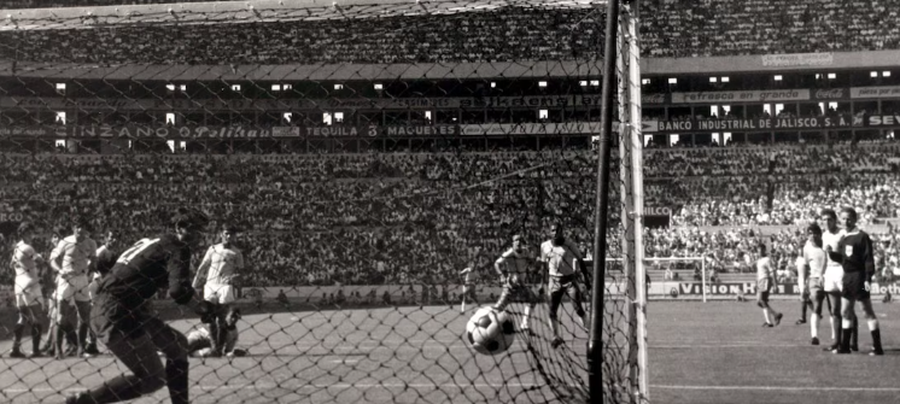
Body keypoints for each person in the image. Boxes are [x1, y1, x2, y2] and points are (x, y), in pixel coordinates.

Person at [65, 208, 213, 404]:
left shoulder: (154, 242)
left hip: (120, 307)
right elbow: (178, 291)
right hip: (117, 311)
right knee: (153, 378)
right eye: (196, 231)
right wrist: (203, 309)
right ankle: (85, 401)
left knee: (177, 345)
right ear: (180, 228)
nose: (199, 238)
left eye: (203, 233)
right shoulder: (178, 247)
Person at [825, 207, 884, 355]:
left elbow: (868, 259)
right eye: (843, 218)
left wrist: (867, 278)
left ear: (855, 219)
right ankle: (845, 347)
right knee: (845, 311)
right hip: (848, 277)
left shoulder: (862, 237)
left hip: (860, 276)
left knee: (867, 311)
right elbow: (845, 260)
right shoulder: (845, 237)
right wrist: (831, 254)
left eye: (849, 218)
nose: (846, 221)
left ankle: (877, 347)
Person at [192, 223, 245, 358]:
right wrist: (194, 285)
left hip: (225, 286)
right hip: (210, 285)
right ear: (221, 234)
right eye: (226, 233)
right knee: (209, 317)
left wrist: (236, 281)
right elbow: (203, 266)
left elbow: (241, 273)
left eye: (231, 234)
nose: (228, 236)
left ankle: (218, 349)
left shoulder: (237, 253)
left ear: (234, 236)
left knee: (221, 319)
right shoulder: (213, 249)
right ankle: (215, 346)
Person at [50, 218, 98, 358]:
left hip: (82, 280)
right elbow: (52, 260)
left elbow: (94, 259)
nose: (80, 230)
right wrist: (60, 271)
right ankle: (58, 351)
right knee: (60, 318)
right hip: (66, 279)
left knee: (85, 317)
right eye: (77, 227)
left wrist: (91, 267)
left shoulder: (91, 243)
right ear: (73, 228)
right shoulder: (65, 242)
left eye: (82, 228)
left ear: (86, 230)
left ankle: (81, 350)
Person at [539, 222, 588, 349]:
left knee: (578, 308)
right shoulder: (544, 246)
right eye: (553, 231)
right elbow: (544, 266)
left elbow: (581, 260)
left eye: (557, 230)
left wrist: (586, 279)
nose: (555, 233)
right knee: (551, 311)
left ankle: (590, 332)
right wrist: (541, 283)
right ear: (550, 232)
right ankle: (556, 337)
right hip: (553, 281)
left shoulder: (569, 245)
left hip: (569, 280)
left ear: (562, 232)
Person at [819, 208, 857, 352]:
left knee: (846, 309)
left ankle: (852, 341)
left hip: (842, 269)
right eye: (824, 220)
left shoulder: (842, 233)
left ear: (835, 220)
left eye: (829, 219)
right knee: (834, 310)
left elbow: (847, 253)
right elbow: (824, 256)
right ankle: (836, 341)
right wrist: (822, 274)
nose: (827, 222)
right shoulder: (824, 235)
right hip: (830, 271)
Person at [9, 222, 46, 358]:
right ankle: (35, 350)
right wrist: (41, 256)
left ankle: (15, 348)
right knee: (38, 316)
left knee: (22, 318)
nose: (32, 235)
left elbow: (11, 264)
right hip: (31, 284)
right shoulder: (28, 247)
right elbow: (40, 261)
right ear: (24, 233)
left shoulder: (16, 247)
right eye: (30, 232)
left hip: (19, 284)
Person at [491, 234, 538, 334]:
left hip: (521, 285)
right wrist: (501, 276)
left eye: (520, 240)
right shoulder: (510, 253)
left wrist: (533, 260)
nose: (518, 242)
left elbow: (531, 263)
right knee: (498, 308)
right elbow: (496, 263)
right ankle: (489, 327)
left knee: (532, 300)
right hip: (511, 285)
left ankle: (525, 324)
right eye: (516, 240)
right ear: (513, 243)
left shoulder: (526, 252)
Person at [800, 223, 829, 345]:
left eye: (814, 233)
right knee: (817, 305)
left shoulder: (826, 245)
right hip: (814, 279)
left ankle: (836, 336)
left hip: (829, 278)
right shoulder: (806, 248)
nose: (812, 236)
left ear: (819, 234)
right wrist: (805, 284)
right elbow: (806, 266)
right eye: (810, 233)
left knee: (834, 308)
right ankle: (814, 336)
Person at [756, 243, 783, 327]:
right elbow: (758, 273)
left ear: (764, 250)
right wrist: (756, 282)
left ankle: (769, 322)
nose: (759, 252)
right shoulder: (759, 260)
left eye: (761, 250)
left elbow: (772, 271)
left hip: (766, 280)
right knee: (759, 302)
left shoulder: (767, 260)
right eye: (758, 251)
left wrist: (775, 284)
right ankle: (775, 315)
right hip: (760, 281)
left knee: (762, 300)